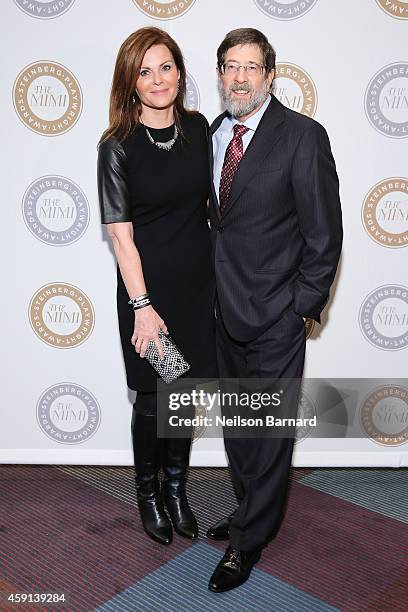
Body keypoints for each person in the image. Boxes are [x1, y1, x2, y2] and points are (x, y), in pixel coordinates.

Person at [206, 28, 343, 592]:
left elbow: (324, 235)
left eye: (251, 67)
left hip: (275, 318)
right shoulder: (213, 134)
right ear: (220, 75)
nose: (240, 77)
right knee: (240, 427)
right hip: (220, 313)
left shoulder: (302, 137)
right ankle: (249, 516)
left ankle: (248, 543)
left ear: (270, 75)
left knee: (268, 430)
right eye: (230, 67)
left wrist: (301, 310)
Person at [97, 27, 217, 546]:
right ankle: (148, 494)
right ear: (131, 83)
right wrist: (142, 307)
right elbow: (122, 239)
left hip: (196, 289)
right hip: (148, 295)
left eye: (165, 67)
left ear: (180, 73)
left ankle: (176, 490)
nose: (157, 79)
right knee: (153, 397)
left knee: (184, 395)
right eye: (144, 71)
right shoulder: (116, 147)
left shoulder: (198, 131)